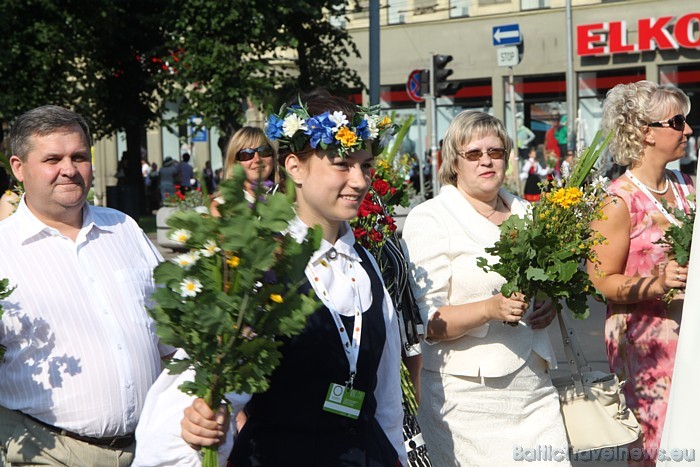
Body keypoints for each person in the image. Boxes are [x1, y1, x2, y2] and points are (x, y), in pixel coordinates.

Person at [180, 90, 406, 466]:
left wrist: (396, 455)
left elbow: (386, 392)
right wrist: (203, 419)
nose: (359, 180)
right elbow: (221, 385)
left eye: (366, 166)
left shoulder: (366, 263)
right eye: (341, 164)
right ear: (295, 167)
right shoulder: (263, 265)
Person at [0, 105, 174, 466]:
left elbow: (170, 337)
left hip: (148, 448)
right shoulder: (4, 250)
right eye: (53, 159)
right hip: (48, 451)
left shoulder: (124, 229)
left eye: (79, 156)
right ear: (19, 168)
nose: (69, 169)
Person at [402, 110, 567, 466]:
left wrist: (549, 303)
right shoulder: (430, 218)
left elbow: (542, 282)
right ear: (454, 162)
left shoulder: (526, 211)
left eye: (496, 151)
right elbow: (428, 321)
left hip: (535, 389)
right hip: (467, 398)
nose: (486, 161)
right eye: (474, 154)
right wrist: (490, 309)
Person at [587, 80, 694, 466]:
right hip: (648, 346)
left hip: (690, 337)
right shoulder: (618, 200)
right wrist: (658, 283)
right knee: (659, 449)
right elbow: (601, 281)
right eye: (677, 122)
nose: (688, 130)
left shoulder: (688, 187)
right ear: (645, 132)